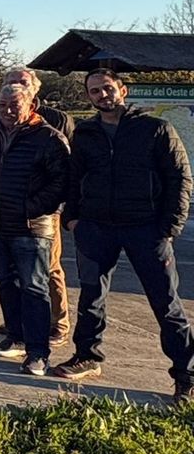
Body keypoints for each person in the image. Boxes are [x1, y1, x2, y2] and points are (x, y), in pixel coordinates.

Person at [51, 68, 192, 404]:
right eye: (94, 91)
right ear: (88, 96)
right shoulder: (85, 134)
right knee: (91, 296)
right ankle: (88, 355)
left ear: (123, 90)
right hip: (96, 227)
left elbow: (180, 177)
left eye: (107, 88)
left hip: (146, 227)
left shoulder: (155, 128)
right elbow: (74, 180)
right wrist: (73, 219)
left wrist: (169, 226)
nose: (102, 95)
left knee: (166, 302)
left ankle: (185, 374)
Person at [0, 82, 69, 377]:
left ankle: (38, 352)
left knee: (35, 288)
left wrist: (30, 208)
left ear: (31, 105)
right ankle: (16, 335)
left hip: (31, 228)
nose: (8, 111)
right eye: (2, 105)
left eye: (15, 105)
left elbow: (61, 183)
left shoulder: (49, 138)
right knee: (5, 283)